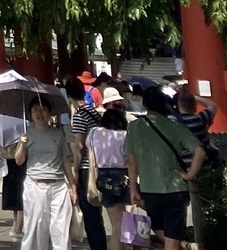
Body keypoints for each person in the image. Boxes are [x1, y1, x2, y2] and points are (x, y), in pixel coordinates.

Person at [125, 86, 203, 250]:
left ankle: (185, 245)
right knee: (172, 234)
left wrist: (133, 189)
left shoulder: (134, 128)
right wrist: (189, 175)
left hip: (149, 188)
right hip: (175, 188)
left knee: (159, 227)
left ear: (145, 105)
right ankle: (185, 245)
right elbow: (200, 151)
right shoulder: (175, 126)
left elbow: (132, 161)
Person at [14, 99, 74, 250]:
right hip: (35, 185)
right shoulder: (27, 134)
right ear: (30, 114)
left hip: (58, 185)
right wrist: (22, 144)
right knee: (35, 228)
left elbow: (65, 160)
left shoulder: (58, 133)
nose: (39, 113)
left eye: (43, 109)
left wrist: (73, 185)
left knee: (61, 229)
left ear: (50, 112)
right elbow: (19, 161)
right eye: (35, 110)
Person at [85, 100, 131, 250]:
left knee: (116, 225)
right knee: (122, 223)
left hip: (104, 177)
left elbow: (88, 147)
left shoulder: (94, 133)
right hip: (124, 176)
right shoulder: (125, 135)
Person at [66, 77, 104, 250]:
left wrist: (74, 171)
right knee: (97, 212)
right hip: (100, 164)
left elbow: (80, 147)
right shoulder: (94, 112)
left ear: (68, 95)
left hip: (86, 168)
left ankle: (97, 246)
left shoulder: (80, 116)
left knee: (90, 213)